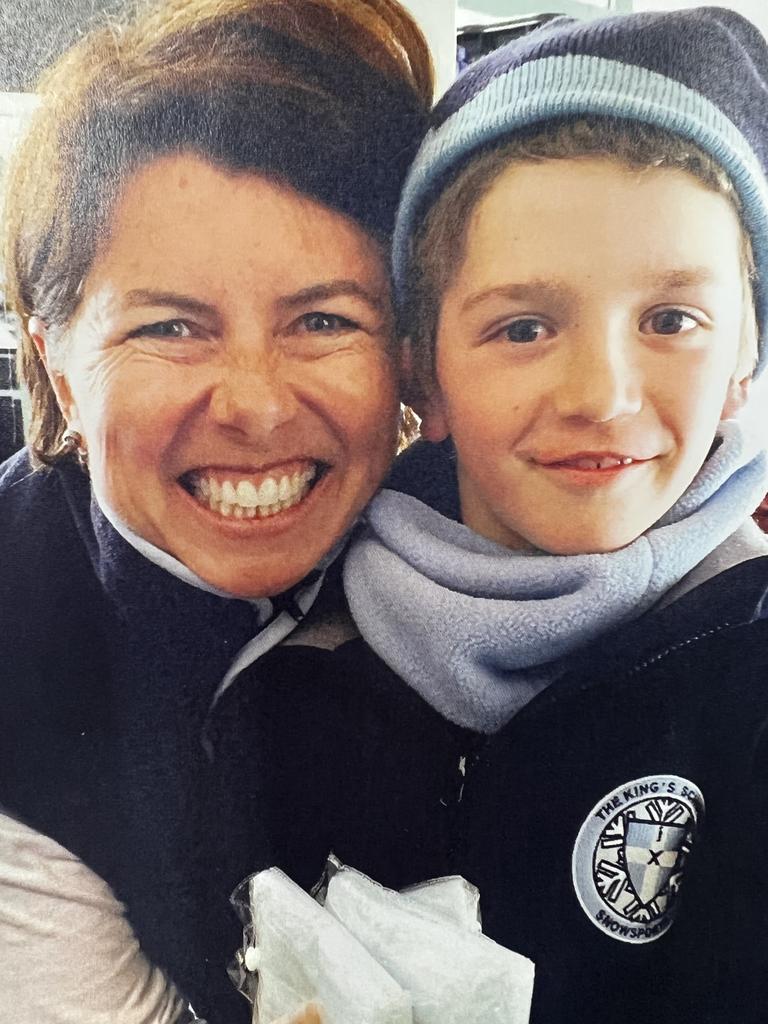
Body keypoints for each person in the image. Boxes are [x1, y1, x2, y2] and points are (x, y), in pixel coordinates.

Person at [0, 1, 432, 1021]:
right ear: (56, 357)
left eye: (325, 319)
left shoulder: (485, 525)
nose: (255, 403)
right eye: (171, 326)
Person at [339, 8, 768, 1023]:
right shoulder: (293, 660)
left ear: (745, 364)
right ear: (420, 377)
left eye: (671, 321)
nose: (602, 394)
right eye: (523, 326)